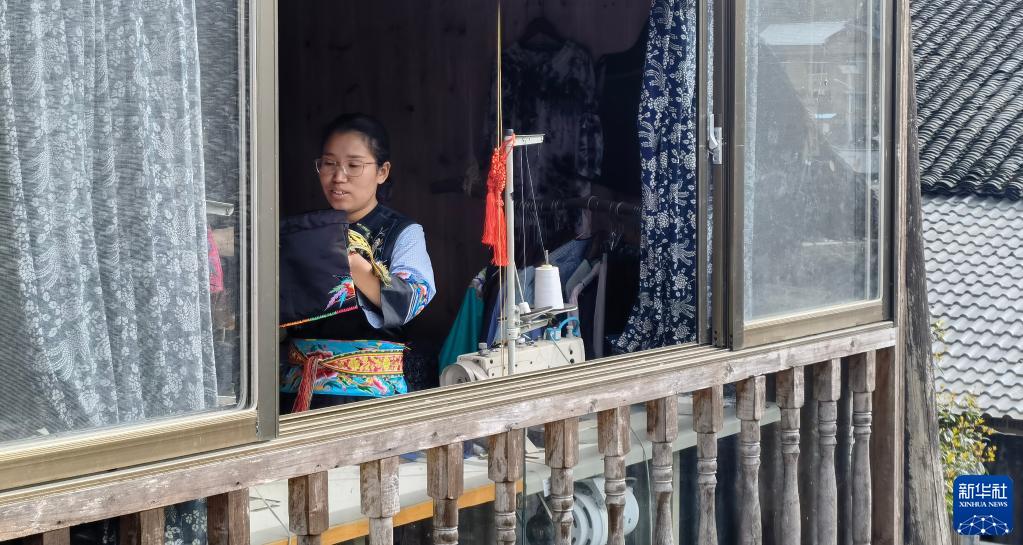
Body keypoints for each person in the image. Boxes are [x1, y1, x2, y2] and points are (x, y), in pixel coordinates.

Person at [280, 113, 436, 412]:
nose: (338, 177)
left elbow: (410, 301)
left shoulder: (403, 232)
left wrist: (346, 257)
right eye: (329, 163)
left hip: (368, 396)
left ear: (382, 172)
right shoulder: (304, 232)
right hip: (296, 392)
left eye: (353, 165)